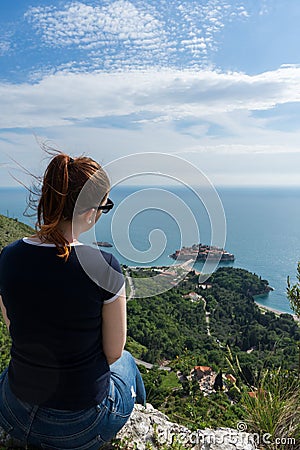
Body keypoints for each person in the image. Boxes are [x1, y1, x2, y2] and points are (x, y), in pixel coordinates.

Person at [0, 152, 146, 449]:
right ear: (90, 210)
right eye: (105, 206)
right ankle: (141, 416)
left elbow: (13, 326)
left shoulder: (8, 256)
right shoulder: (103, 266)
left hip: (12, 411)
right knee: (128, 362)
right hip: (76, 427)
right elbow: (114, 352)